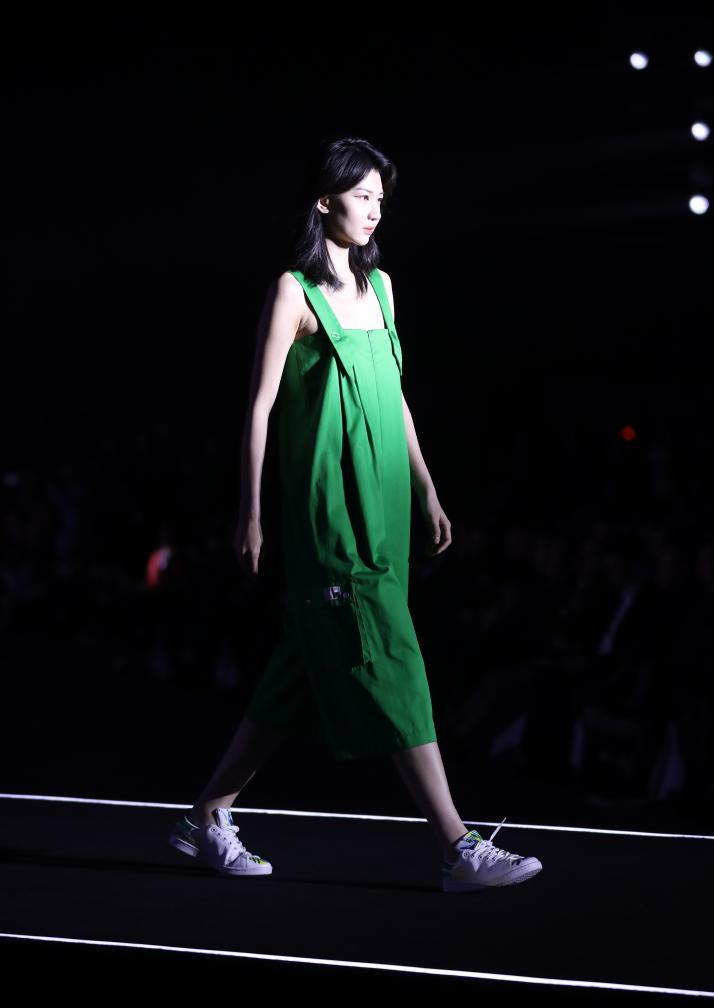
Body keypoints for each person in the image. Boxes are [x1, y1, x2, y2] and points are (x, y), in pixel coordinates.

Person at [168, 137, 543, 892]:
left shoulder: (382, 288)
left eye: (380, 198)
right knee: (392, 653)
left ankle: (207, 816)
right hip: (329, 511)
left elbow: (394, 396)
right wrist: (250, 513)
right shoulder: (292, 292)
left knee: (304, 663)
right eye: (362, 195)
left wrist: (426, 487)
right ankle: (458, 847)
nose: (375, 209)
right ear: (324, 200)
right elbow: (260, 407)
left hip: (387, 501)